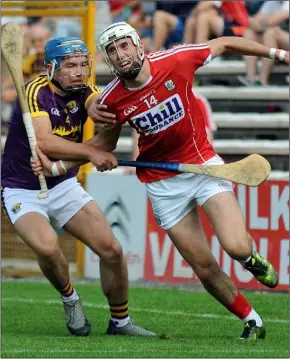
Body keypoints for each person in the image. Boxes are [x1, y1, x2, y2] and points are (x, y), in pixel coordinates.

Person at [31, 23, 288, 340]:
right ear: (108, 59)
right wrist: (56, 167)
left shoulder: (177, 60)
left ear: (139, 46)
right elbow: (103, 146)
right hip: (162, 184)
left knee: (234, 246)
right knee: (204, 266)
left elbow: (223, 42)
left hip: (202, 167)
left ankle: (250, 258)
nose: (121, 54)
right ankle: (252, 320)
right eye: (112, 50)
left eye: (125, 46)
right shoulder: (112, 99)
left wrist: (277, 53)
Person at [1, 36, 156, 337]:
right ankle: (70, 298)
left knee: (111, 249)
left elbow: (101, 120)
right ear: (52, 68)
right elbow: (44, 141)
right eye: (71, 65)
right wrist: (90, 153)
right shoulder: (35, 91)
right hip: (21, 188)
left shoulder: (87, 92)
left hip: (62, 185)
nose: (79, 71)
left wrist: (108, 114)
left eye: (84, 64)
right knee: (48, 248)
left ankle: (120, 322)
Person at [237, 0, 289, 86]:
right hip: (278, 42)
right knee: (249, 33)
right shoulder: (272, 3)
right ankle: (251, 78)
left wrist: (264, 22)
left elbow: (271, 22)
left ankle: (263, 79)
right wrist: (266, 22)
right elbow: (252, 24)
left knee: (271, 33)